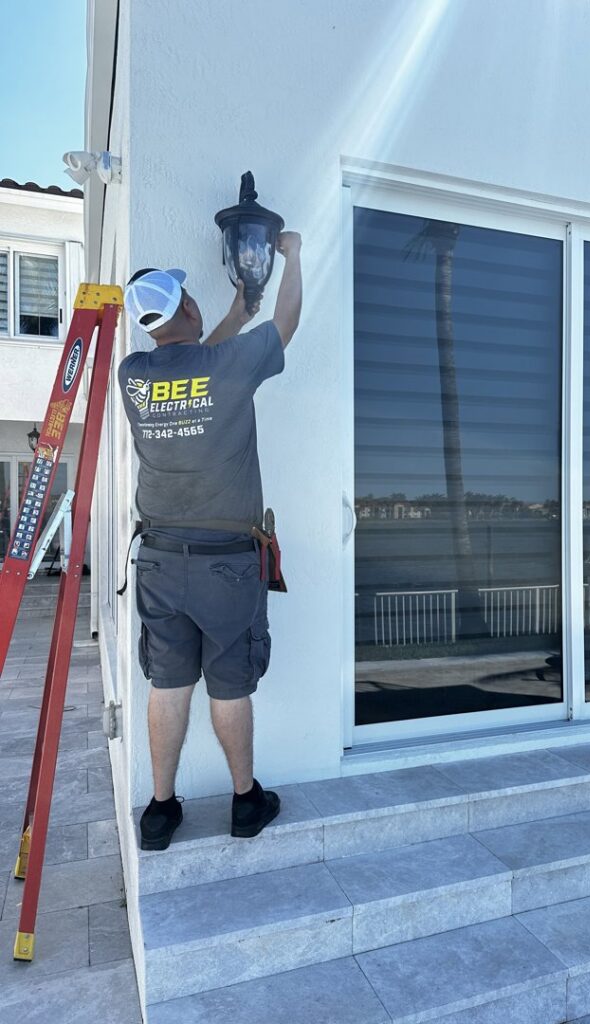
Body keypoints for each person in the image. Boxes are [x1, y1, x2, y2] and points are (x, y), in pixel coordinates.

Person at [118, 230, 302, 850]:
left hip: (160, 561)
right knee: (229, 683)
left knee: (167, 684)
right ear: (185, 309)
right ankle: (245, 801)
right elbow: (287, 322)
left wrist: (232, 314)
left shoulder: (133, 376)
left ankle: (160, 811)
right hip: (227, 565)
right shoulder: (223, 367)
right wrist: (293, 255)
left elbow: (194, 367)